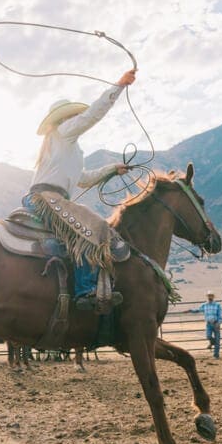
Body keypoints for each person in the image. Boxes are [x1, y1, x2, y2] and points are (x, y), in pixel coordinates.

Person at [22, 69, 136, 310]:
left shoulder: (65, 147)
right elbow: (92, 116)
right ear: (63, 120)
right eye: (71, 117)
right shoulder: (62, 134)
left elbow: (83, 179)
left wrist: (113, 169)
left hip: (49, 197)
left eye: (74, 117)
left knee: (85, 222)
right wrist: (118, 86)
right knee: (91, 227)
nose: (73, 120)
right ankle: (86, 291)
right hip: (47, 198)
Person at [199, 292, 222, 359]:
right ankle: (212, 342)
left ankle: (216, 355)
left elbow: (220, 314)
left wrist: (219, 323)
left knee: (217, 339)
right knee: (208, 336)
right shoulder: (204, 305)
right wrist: (190, 310)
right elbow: (198, 310)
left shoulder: (217, 305)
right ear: (207, 296)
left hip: (216, 323)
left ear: (213, 297)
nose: (210, 297)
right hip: (209, 324)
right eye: (209, 296)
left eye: (211, 296)